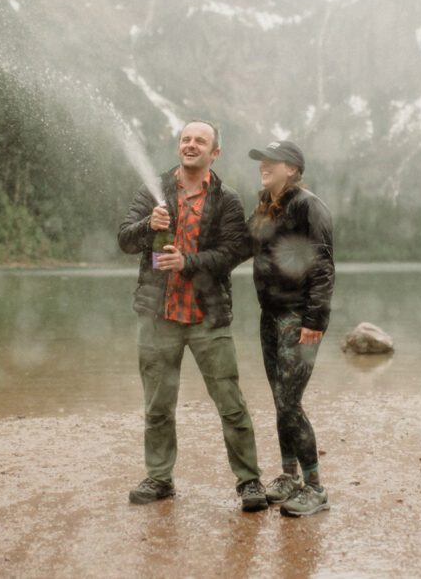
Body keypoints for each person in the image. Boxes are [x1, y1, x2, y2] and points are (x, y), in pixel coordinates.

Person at [117, 120, 267, 512]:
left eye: (200, 141)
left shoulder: (227, 199)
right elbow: (125, 239)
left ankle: (249, 482)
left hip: (207, 316)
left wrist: (188, 262)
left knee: (230, 402)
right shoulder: (155, 192)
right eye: (185, 139)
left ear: (214, 153)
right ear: (178, 147)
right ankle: (159, 478)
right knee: (158, 406)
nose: (191, 145)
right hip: (157, 314)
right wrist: (148, 225)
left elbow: (233, 253)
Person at [246, 140, 335, 517]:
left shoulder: (307, 205)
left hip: (298, 317)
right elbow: (247, 249)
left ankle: (315, 487)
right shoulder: (266, 205)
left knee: (289, 402)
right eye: (262, 161)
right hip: (270, 314)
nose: (264, 165)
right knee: (280, 400)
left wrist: (315, 320)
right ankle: (288, 475)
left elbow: (322, 265)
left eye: (273, 161)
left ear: (293, 169)